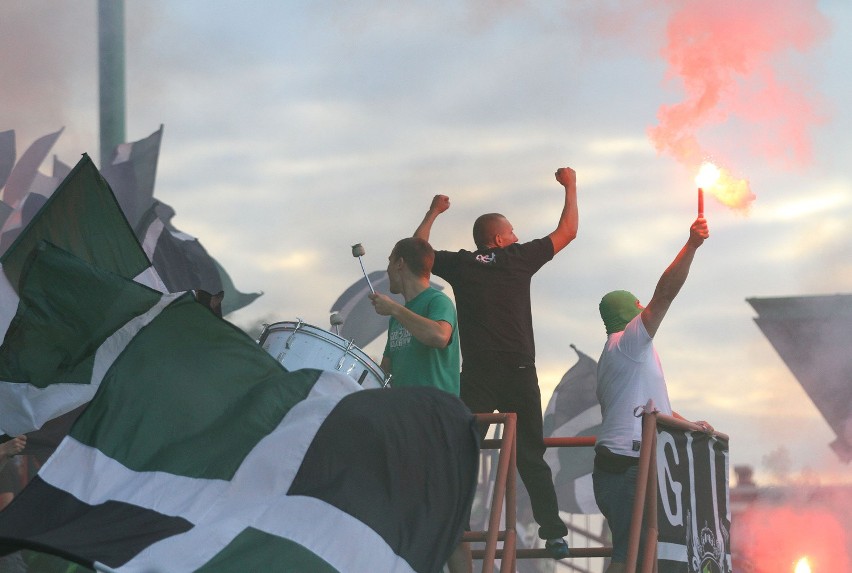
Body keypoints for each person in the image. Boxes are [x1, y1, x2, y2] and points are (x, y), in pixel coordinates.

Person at [412, 167, 579, 560]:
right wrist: (571, 186)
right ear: (500, 239)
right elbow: (568, 230)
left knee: (462, 446)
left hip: (479, 374)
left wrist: (434, 212)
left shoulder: (463, 264)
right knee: (530, 455)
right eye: (513, 232)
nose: (518, 236)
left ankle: (457, 523)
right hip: (518, 370)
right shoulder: (518, 258)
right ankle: (553, 532)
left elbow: (417, 251)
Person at [593, 216, 711, 572]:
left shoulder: (620, 355)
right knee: (630, 555)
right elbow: (665, 293)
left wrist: (688, 424)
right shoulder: (629, 343)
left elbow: (649, 410)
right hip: (629, 464)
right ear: (631, 313)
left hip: (621, 463)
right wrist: (691, 246)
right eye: (639, 305)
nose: (647, 308)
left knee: (640, 551)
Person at [368, 237, 469, 572]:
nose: (387, 270)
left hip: (437, 423)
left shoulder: (437, 301)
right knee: (406, 522)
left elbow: (439, 337)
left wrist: (395, 309)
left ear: (399, 263)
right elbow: (383, 372)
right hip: (405, 426)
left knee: (449, 526)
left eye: (388, 261)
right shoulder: (397, 318)